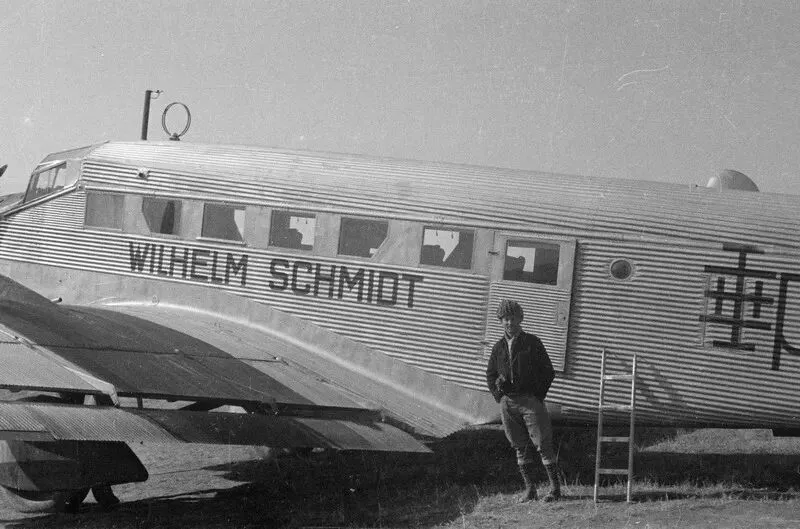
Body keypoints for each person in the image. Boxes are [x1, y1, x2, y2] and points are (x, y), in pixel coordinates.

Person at [486, 299, 561, 502]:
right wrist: (499, 396)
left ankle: (555, 490)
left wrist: (537, 395)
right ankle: (530, 490)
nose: (509, 323)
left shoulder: (532, 342)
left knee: (543, 444)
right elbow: (490, 374)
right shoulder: (498, 347)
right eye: (505, 319)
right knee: (519, 446)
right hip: (508, 404)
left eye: (513, 318)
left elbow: (548, 371)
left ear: (520, 319)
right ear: (500, 321)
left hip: (530, 402)